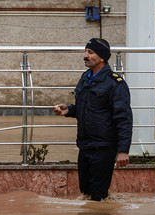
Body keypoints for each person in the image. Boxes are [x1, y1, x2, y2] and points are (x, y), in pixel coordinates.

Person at [53, 38, 133, 201]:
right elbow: (89, 109)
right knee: (86, 192)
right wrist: (69, 110)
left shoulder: (115, 84)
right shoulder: (85, 78)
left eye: (90, 52)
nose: (85, 55)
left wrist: (123, 150)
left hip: (104, 148)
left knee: (98, 196)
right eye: (85, 51)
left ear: (102, 57)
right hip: (85, 145)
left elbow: (124, 118)